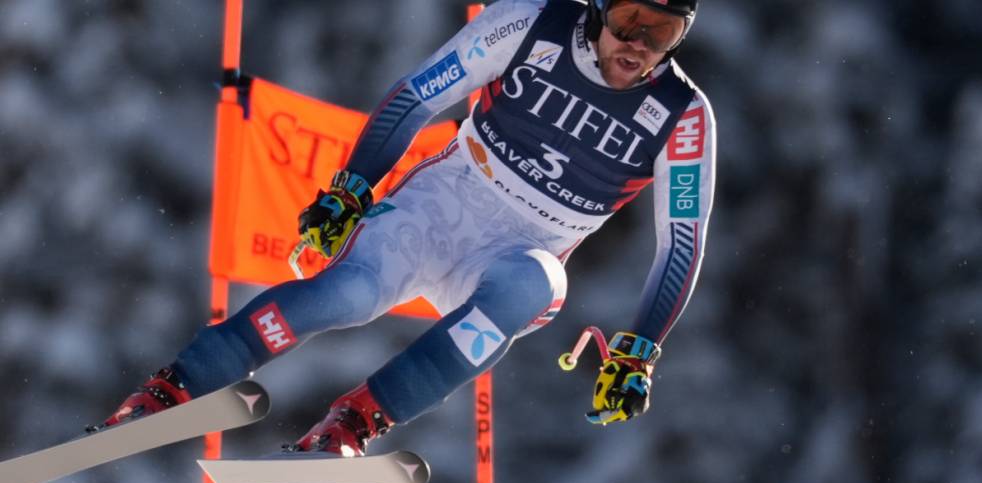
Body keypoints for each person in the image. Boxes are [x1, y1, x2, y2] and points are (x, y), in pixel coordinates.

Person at [92, 0, 717, 457]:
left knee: (534, 285)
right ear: (601, 7)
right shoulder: (533, 22)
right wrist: (351, 188)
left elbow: (681, 241)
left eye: (662, 32)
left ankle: (357, 421)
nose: (638, 43)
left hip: (522, 251)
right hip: (443, 203)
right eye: (630, 18)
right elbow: (415, 98)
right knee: (347, 295)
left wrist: (640, 351)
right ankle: (172, 389)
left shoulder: (684, 116)